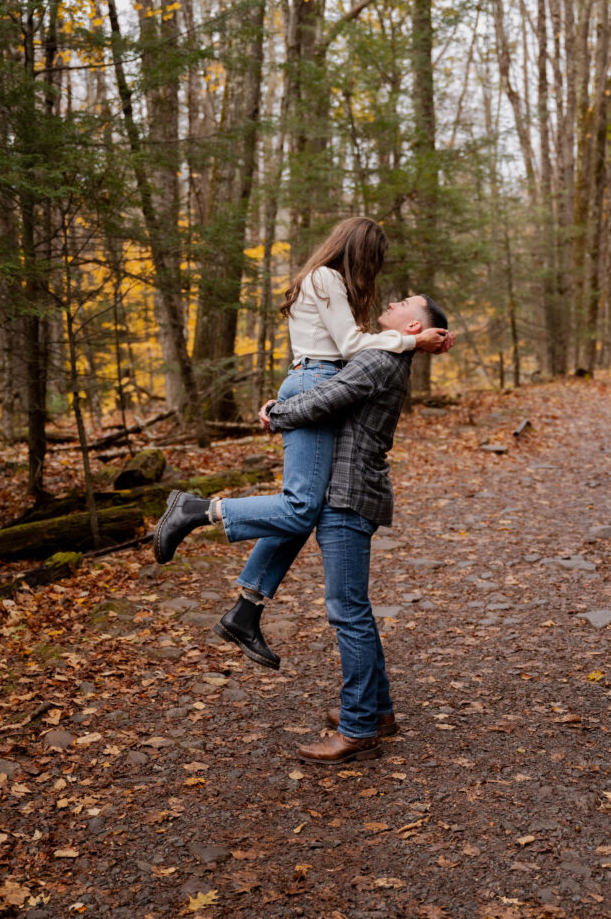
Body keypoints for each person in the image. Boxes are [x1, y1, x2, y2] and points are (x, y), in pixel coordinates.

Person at [153, 219, 447, 651]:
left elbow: (352, 347)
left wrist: (425, 340)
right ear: (358, 252)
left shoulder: (329, 283)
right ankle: (198, 511)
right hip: (314, 380)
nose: (375, 275)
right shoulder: (326, 277)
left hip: (315, 378)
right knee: (298, 507)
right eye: (372, 261)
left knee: (302, 508)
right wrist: (410, 343)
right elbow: (350, 347)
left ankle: (246, 609)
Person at [254, 294, 454, 763]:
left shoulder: (381, 360)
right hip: (352, 490)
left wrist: (275, 415)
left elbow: (328, 398)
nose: (392, 300)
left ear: (412, 326)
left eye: (405, 302)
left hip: (347, 494)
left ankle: (359, 727)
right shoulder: (387, 353)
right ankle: (377, 711)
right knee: (353, 607)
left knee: (347, 611)